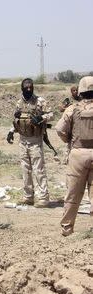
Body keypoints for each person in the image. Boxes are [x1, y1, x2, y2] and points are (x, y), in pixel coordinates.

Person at [6, 78, 53, 208]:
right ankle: (28, 196)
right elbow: (16, 119)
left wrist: (41, 117)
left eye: (30, 87)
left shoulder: (40, 101)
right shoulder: (19, 103)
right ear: (22, 88)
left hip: (35, 139)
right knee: (25, 169)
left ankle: (43, 198)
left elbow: (51, 114)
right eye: (26, 87)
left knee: (38, 169)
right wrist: (11, 131)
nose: (28, 89)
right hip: (22, 140)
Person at [55, 76, 93, 236]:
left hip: (77, 153)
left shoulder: (72, 109)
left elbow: (59, 129)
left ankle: (67, 228)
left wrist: (69, 140)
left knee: (73, 193)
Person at [59, 86, 81, 164]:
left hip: (78, 122)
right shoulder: (68, 100)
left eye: (76, 90)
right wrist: (69, 109)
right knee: (69, 141)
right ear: (71, 91)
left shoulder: (81, 99)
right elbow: (61, 109)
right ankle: (66, 159)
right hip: (70, 122)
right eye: (74, 90)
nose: (75, 91)